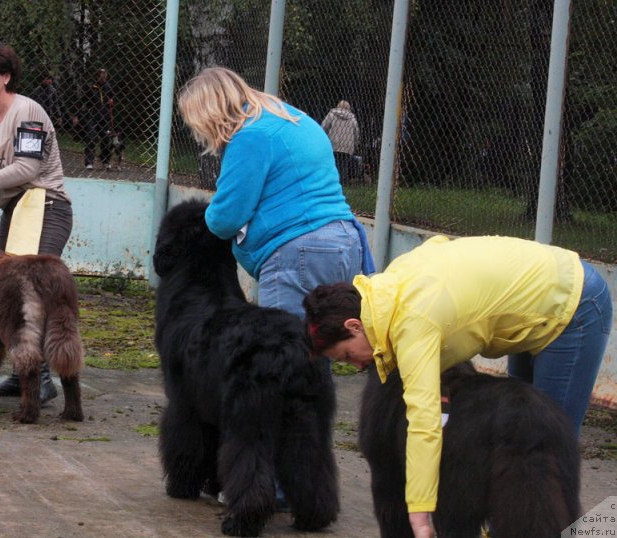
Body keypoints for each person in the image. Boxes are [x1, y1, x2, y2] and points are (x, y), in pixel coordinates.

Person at [303, 235, 612, 538]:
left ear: (354, 326)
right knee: (517, 464)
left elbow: (424, 423)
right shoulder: (388, 287)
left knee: (543, 457)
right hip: (536, 299)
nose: (356, 366)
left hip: (575, 305)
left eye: (346, 355)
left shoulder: (414, 322)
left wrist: (421, 513)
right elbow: (437, 243)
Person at [177, 67, 375, 321]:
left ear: (208, 113)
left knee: (283, 351)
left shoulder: (249, 136)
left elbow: (225, 218)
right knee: (317, 349)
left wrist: (202, 222)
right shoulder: (294, 118)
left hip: (297, 253)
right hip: (346, 244)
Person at [0, 43, 76, 404]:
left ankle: (40, 379)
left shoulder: (28, 110)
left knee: (30, 291)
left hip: (46, 207)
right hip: (16, 210)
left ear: (6, 77)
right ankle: (24, 372)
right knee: (10, 294)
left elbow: (28, 169)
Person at [321, 100, 360, 186]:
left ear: (338, 106)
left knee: (333, 163)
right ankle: (341, 183)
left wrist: (323, 139)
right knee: (344, 165)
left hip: (333, 144)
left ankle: (331, 182)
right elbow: (356, 132)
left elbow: (324, 126)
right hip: (347, 145)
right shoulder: (352, 118)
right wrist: (355, 144)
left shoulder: (332, 114)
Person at [84, 68, 115, 170]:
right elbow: (83, 100)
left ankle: (105, 160)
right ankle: (89, 162)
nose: (103, 76)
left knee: (106, 139)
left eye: (105, 74)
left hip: (104, 116)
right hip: (93, 116)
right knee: (91, 138)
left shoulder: (108, 86)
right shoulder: (91, 86)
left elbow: (111, 97)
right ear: (97, 75)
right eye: (101, 74)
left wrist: (111, 101)